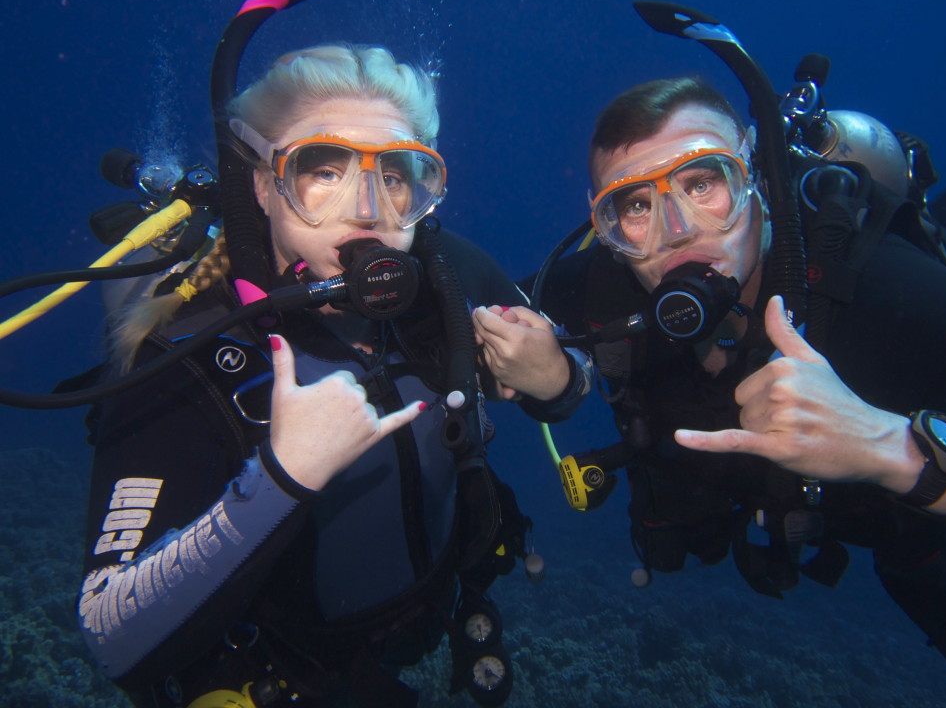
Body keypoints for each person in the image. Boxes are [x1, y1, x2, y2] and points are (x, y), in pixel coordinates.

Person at [476, 75, 946, 702]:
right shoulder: (603, 285)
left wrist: (891, 449)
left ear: (755, 177)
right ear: (606, 223)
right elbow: (451, 328)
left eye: (703, 183)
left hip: (908, 528)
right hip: (736, 518)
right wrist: (559, 383)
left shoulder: (893, 299)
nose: (676, 230)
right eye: (634, 206)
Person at [76, 43, 589, 708]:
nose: (369, 210)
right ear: (264, 185)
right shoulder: (195, 351)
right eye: (323, 170)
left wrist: (560, 379)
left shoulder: (445, 276)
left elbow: (562, 378)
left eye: (398, 176)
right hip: (289, 667)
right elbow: (110, 634)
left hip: (431, 605)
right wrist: (281, 478)